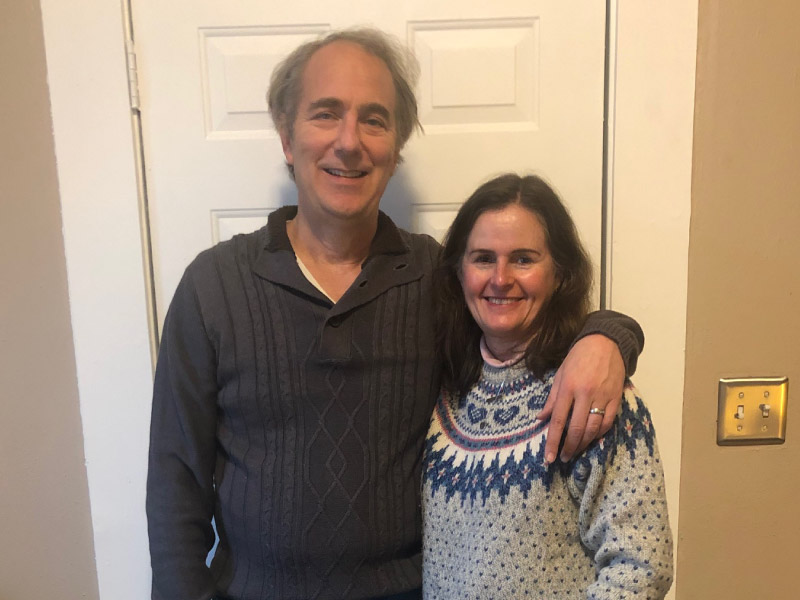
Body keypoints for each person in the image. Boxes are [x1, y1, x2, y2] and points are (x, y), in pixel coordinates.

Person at [146, 29, 645, 600]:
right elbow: (175, 484)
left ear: (396, 148)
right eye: (326, 114)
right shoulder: (213, 285)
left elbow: (532, 319)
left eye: (374, 120)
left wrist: (611, 337)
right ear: (286, 136)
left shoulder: (437, 276)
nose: (349, 142)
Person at [422, 173, 673, 598]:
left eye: (523, 259)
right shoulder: (443, 388)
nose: (500, 278)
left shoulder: (595, 393)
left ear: (559, 274)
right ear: (459, 274)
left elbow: (640, 567)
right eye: (483, 258)